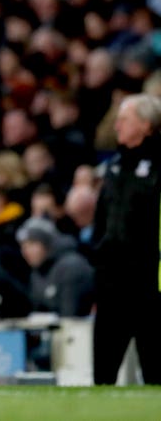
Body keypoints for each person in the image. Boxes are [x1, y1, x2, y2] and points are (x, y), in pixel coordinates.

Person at [90, 93, 161, 385]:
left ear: (145, 125)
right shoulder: (114, 166)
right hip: (111, 280)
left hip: (149, 281)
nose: (117, 125)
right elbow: (101, 217)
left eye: (124, 118)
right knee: (103, 371)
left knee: (155, 369)